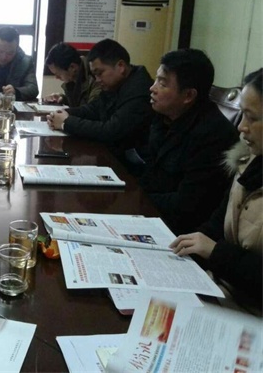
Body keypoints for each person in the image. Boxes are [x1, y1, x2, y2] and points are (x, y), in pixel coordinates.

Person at [170, 69, 262, 315]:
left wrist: (215, 251)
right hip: (220, 292)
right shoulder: (248, 162)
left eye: (252, 118)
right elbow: (217, 223)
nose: (241, 127)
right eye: (242, 114)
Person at [138, 49, 239, 234]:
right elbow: (151, 173)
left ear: (188, 96)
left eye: (162, 83)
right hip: (154, 214)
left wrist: (136, 198)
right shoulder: (164, 116)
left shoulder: (213, 135)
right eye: (156, 80)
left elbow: (186, 204)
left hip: (182, 231)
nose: (152, 88)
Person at [47, 38, 153, 159]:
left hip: (132, 162)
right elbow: (93, 109)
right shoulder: (115, 85)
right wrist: (63, 113)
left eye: (100, 73)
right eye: (95, 75)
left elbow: (111, 131)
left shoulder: (139, 90)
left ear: (121, 66)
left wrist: (66, 122)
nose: (97, 80)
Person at [43, 42, 101, 107]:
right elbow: (78, 103)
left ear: (73, 67)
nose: (57, 77)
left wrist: (68, 112)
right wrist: (63, 99)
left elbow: (91, 109)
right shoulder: (72, 80)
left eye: (58, 74)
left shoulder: (96, 78)